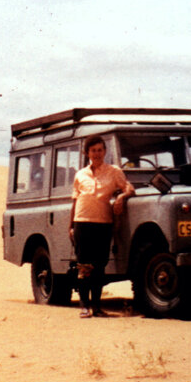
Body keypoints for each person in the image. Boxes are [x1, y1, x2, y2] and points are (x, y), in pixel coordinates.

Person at [70, 135, 135, 318]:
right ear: (87, 153)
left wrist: (122, 197)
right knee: (83, 266)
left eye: (100, 150)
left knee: (99, 266)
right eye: (93, 150)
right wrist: (71, 226)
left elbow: (129, 188)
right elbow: (75, 201)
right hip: (81, 222)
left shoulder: (114, 172)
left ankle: (97, 307)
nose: (97, 154)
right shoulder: (80, 174)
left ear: (105, 151)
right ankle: (84, 306)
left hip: (103, 224)